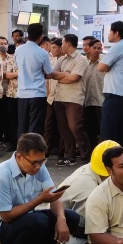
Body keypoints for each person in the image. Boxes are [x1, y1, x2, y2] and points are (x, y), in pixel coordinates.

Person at [0, 133, 83, 244]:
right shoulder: (2, 174)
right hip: (1, 228)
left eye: (42, 161)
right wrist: (39, 200)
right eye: (34, 163)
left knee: (71, 217)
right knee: (39, 220)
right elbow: (5, 216)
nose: (38, 166)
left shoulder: (38, 166)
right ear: (19, 156)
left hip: (26, 219)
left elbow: (53, 195)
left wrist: (61, 219)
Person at [51, 34, 90, 166]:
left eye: (62, 43)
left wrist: (62, 76)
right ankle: (69, 156)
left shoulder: (81, 59)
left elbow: (74, 78)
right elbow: (52, 74)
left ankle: (86, 155)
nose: (61, 46)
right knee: (64, 129)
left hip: (74, 98)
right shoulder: (62, 59)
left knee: (75, 127)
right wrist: (66, 74)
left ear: (68, 44)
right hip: (59, 97)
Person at [59, 140, 119, 222]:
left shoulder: (93, 167)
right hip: (65, 225)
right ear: (109, 170)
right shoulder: (89, 190)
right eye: (122, 166)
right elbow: (85, 227)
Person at [98, 21, 123, 148]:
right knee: (119, 131)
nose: (108, 34)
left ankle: (108, 160)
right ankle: (121, 160)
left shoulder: (118, 46)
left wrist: (105, 66)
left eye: (110, 31)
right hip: (122, 94)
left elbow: (101, 67)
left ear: (117, 33)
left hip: (116, 93)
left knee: (109, 131)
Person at [15, 23, 57, 137]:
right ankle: (34, 152)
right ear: (41, 37)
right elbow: (49, 74)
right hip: (37, 93)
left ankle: (22, 150)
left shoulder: (18, 50)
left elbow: (18, 66)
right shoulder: (42, 53)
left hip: (22, 94)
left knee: (22, 125)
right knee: (36, 126)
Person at [0, 36, 19, 152]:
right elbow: (4, 74)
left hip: (8, 92)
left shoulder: (11, 58)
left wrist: (9, 73)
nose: (4, 45)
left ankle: (10, 141)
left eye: (5, 43)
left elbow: (7, 74)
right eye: (1, 43)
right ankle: (0, 140)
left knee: (10, 119)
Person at [83, 39, 105, 147]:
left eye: (99, 48)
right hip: (87, 101)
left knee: (103, 130)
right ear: (89, 48)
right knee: (89, 130)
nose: (97, 50)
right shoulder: (83, 62)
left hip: (101, 101)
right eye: (94, 48)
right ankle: (91, 153)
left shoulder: (105, 62)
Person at [44, 38, 63, 158]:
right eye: (51, 47)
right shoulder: (49, 59)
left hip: (62, 96)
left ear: (61, 48)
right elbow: (47, 78)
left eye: (55, 47)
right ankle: (46, 149)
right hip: (50, 96)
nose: (52, 50)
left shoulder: (65, 60)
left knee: (61, 125)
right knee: (48, 124)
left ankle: (60, 150)